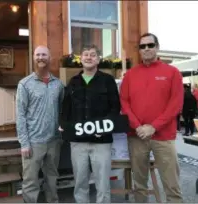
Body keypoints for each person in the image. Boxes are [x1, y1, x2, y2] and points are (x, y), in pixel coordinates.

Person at [120, 33, 184, 203]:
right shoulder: (131, 75)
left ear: (157, 47)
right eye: (143, 46)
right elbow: (124, 103)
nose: (146, 49)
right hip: (137, 136)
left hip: (163, 138)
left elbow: (176, 104)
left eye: (150, 45)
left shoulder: (172, 72)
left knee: (172, 185)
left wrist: (153, 127)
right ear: (139, 50)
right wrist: (138, 126)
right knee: (139, 184)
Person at [59, 44, 121, 203]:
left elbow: (115, 108)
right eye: (85, 54)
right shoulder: (73, 82)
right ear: (81, 59)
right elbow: (66, 108)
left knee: (102, 183)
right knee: (80, 183)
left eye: (92, 55)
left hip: (101, 142)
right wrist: (63, 125)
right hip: (78, 143)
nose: (88, 57)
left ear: (98, 59)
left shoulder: (107, 81)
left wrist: (105, 127)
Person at [16, 46, 64, 203]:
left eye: (44, 54)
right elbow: (20, 115)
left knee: (52, 179)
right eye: (38, 54)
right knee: (30, 182)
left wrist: (62, 133)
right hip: (33, 142)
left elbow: (62, 110)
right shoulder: (25, 84)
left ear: (49, 58)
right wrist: (24, 143)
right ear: (33, 57)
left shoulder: (58, 84)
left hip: (54, 141)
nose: (41, 57)